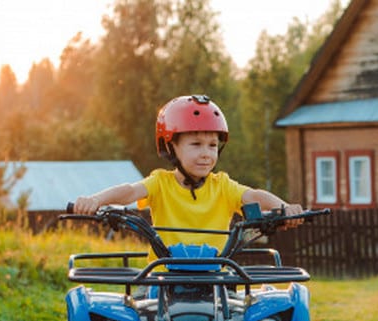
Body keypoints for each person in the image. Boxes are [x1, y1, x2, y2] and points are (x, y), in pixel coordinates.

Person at [73, 94, 303, 255]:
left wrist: (284, 208)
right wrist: (95, 200)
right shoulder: (160, 183)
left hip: (216, 278)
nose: (206, 154)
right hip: (163, 278)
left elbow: (254, 196)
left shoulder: (222, 185)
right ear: (171, 147)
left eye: (212, 146)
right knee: (135, 317)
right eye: (196, 144)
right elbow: (129, 191)